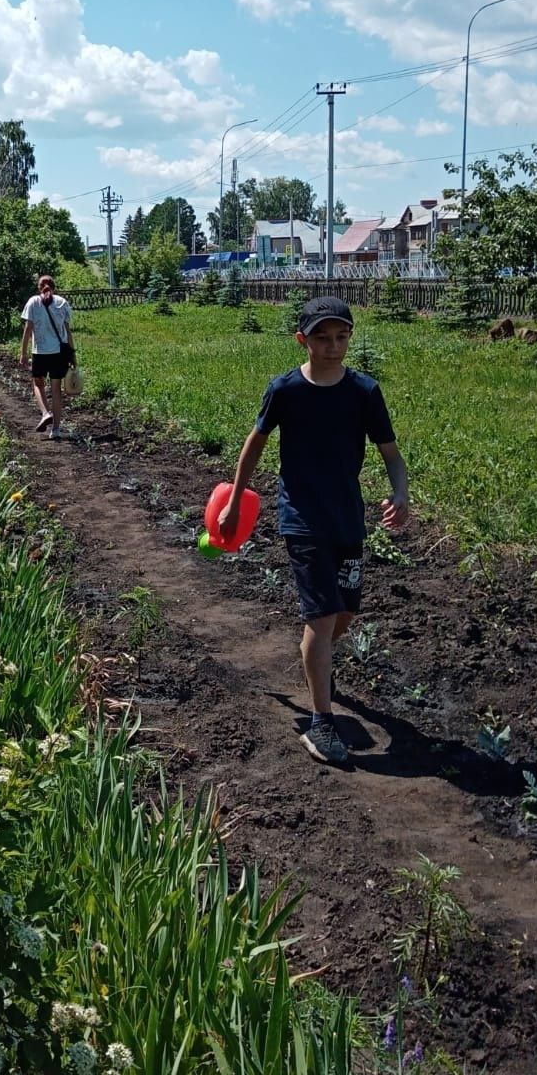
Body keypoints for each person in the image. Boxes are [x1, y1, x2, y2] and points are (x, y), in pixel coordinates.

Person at [216, 296, 409, 766]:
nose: (332, 346)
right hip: (301, 518)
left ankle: (314, 657)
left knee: (342, 617)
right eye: (322, 337)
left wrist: (400, 494)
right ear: (303, 340)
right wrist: (236, 501)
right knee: (322, 619)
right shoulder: (285, 391)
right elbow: (254, 445)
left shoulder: (364, 392)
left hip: (348, 519)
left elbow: (391, 454)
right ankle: (322, 723)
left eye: (341, 336)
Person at [19, 275, 75, 440]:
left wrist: (23, 353)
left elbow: (28, 329)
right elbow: (68, 331)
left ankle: (45, 413)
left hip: (40, 352)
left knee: (38, 384)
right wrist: (73, 355)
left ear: (39, 287)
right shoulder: (62, 303)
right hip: (59, 353)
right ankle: (56, 430)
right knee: (56, 390)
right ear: (54, 287)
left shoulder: (33, 302)